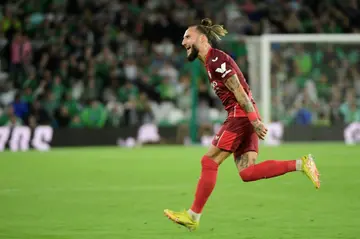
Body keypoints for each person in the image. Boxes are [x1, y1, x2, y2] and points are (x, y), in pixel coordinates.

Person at [163, 18, 320, 231]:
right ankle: (302, 164)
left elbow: (240, 92)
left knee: (209, 162)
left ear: (202, 38)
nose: (183, 42)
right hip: (245, 115)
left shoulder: (216, 61)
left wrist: (254, 121)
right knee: (247, 172)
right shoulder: (210, 62)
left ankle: (193, 216)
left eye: (187, 37)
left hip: (241, 115)